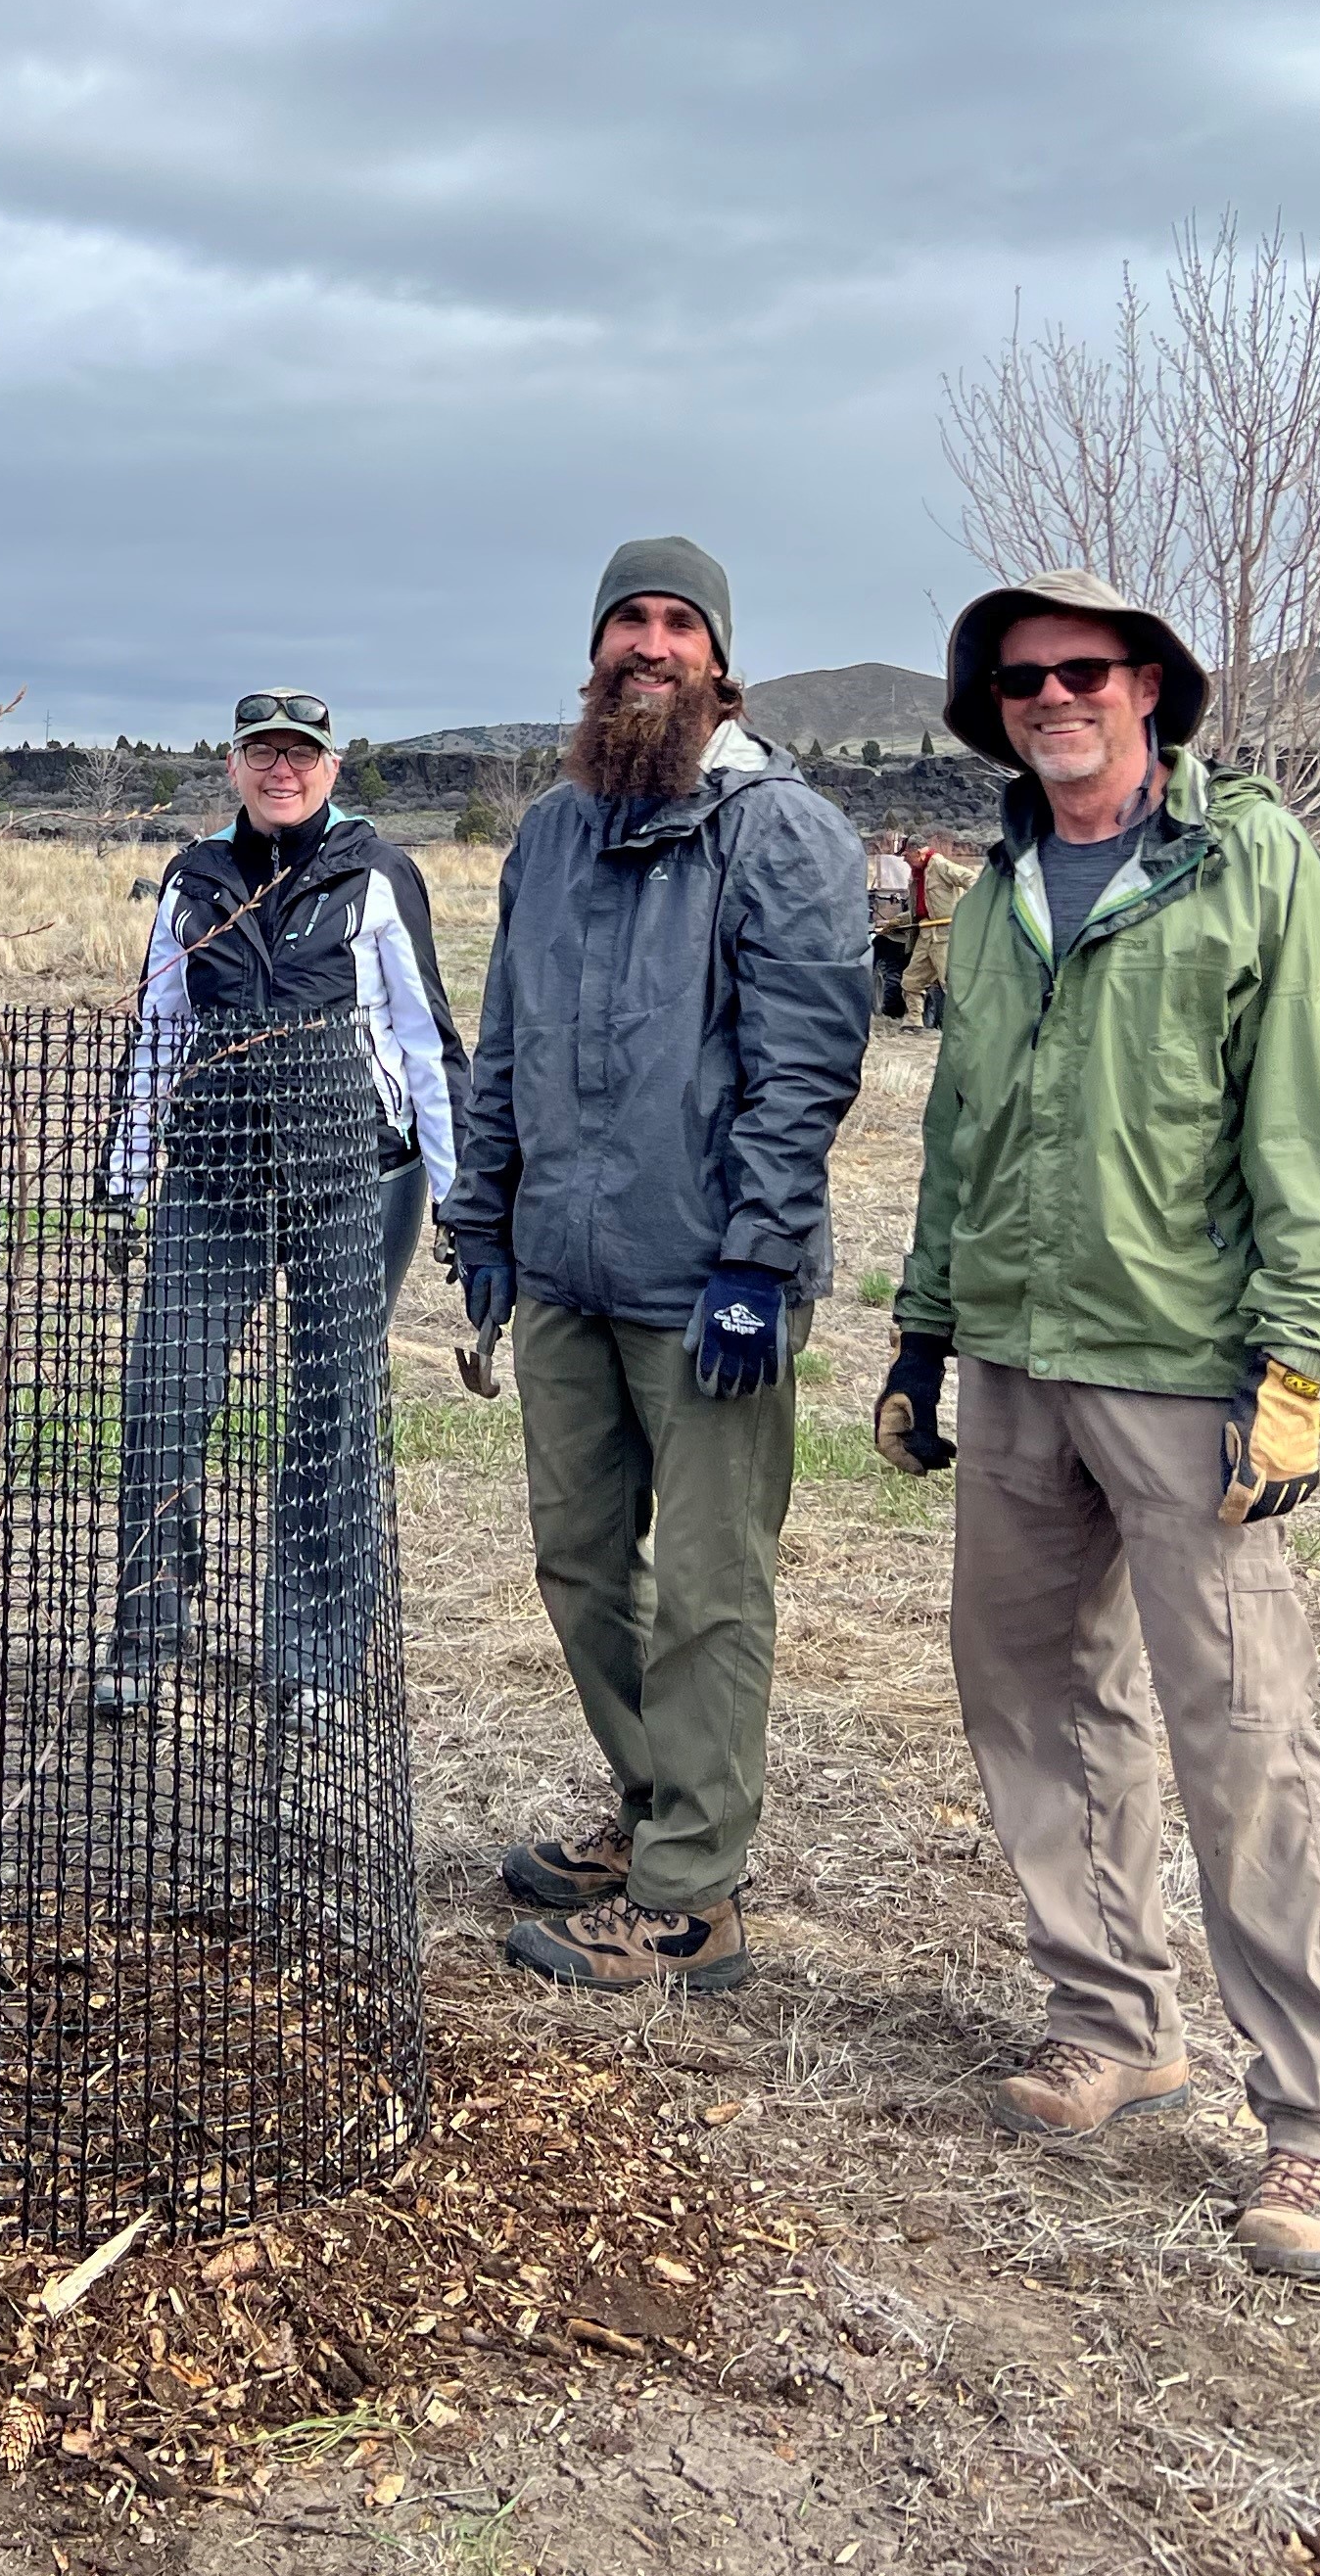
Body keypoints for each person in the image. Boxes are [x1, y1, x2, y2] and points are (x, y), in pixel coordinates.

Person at [876, 570, 1320, 2281]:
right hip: (1018, 1356)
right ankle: (1110, 2014)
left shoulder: (1247, 865)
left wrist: (1300, 1366)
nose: (1049, 696)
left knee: (1238, 1730)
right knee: (1029, 1692)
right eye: (1019, 679)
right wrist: (922, 1330)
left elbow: (1307, 1130)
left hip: (1185, 1374)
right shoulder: (1004, 886)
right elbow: (961, 1130)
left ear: (1148, 688)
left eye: (1080, 669)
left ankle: (1318, 2123)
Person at [447, 539, 870, 1993]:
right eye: (628, 619)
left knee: (706, 1586)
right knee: (580, 1566)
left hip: (708, 1283)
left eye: (677, 623)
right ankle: (655, 1811)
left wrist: (758, 1256)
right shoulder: (555, 831)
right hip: (565, 1268)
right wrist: (483, 1215)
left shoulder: (780, 833)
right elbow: (504, 1039)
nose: (649, 643)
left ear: (719, 658)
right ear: (596, 649)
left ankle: (695, 1895)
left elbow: (803, 1067)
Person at [97, 685, 469, 1721]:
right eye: (262, 752)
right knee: (163, 1392)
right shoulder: (194, 881)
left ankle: (312, 1654)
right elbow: (160, 1031)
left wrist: (461, 1197)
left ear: (331, 768)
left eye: (301, 753)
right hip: (211, 1176)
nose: (282, 769)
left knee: (331, 1408)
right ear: (234, 767)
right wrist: (126, 1173)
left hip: (352, 1175)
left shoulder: (378, 875)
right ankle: (147, 1623)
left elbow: (426, 1043)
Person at [895, 836, 969, 1027]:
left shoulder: (940, 866)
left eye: (906, 855)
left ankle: (965, 1025)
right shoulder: (917, 874)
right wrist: (897, 920)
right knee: (911, 979)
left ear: (918, 852)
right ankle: (914, 1021)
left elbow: (970, 879)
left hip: (946, 934)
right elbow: (920, 909)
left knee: (950, 982)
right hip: (927, 933)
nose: (904, 860)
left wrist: (974, 907)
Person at [866, 836, 915, 1017]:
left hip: (918, 926)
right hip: (901, 927)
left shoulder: (927, 872)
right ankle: (891, 1010)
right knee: (890, 968)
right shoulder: (901, 875)